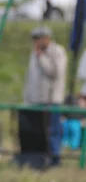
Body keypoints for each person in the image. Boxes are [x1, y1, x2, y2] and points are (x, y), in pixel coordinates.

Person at [23, 26, 67, 166]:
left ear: (46, 38)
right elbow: (31, 77)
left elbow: (55, 73)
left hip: (51, 99)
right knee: (37, 131)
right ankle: (39, 158)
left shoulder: (57, 51)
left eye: (38, 39)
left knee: (52, 130)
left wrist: (42, 57)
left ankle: (55, 159)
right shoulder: (35, 53)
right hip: (35, 99)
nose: (35, 42)